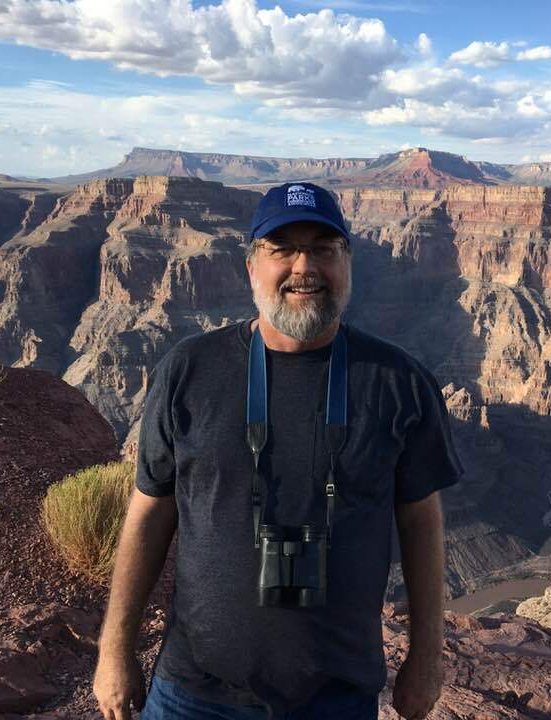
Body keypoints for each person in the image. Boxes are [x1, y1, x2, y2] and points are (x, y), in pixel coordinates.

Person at [92, 181, 465, 720]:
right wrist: (113, 651)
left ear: (348, 264)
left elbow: (422, 524)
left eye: (322, 248)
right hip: (194, 692)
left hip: (335, 696)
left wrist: (426, 660)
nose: (304, 267)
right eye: (282, 248)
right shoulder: (188, 370)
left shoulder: (399, 382)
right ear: (251, 268)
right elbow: (150, 514)